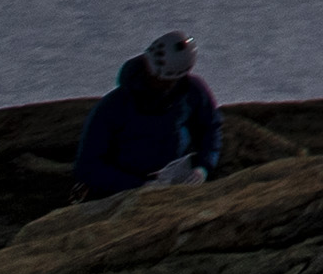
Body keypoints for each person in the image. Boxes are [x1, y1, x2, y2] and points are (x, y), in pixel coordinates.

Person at [73, 31, 222, 199]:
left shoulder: (192, 91)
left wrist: (203, 167)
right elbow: (88, 166)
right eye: (152, 73)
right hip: (122, 195)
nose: (153, 78)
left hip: (178, 182)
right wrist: (138, 186)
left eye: (167, 81)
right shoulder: (113, 107)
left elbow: (211, 127)